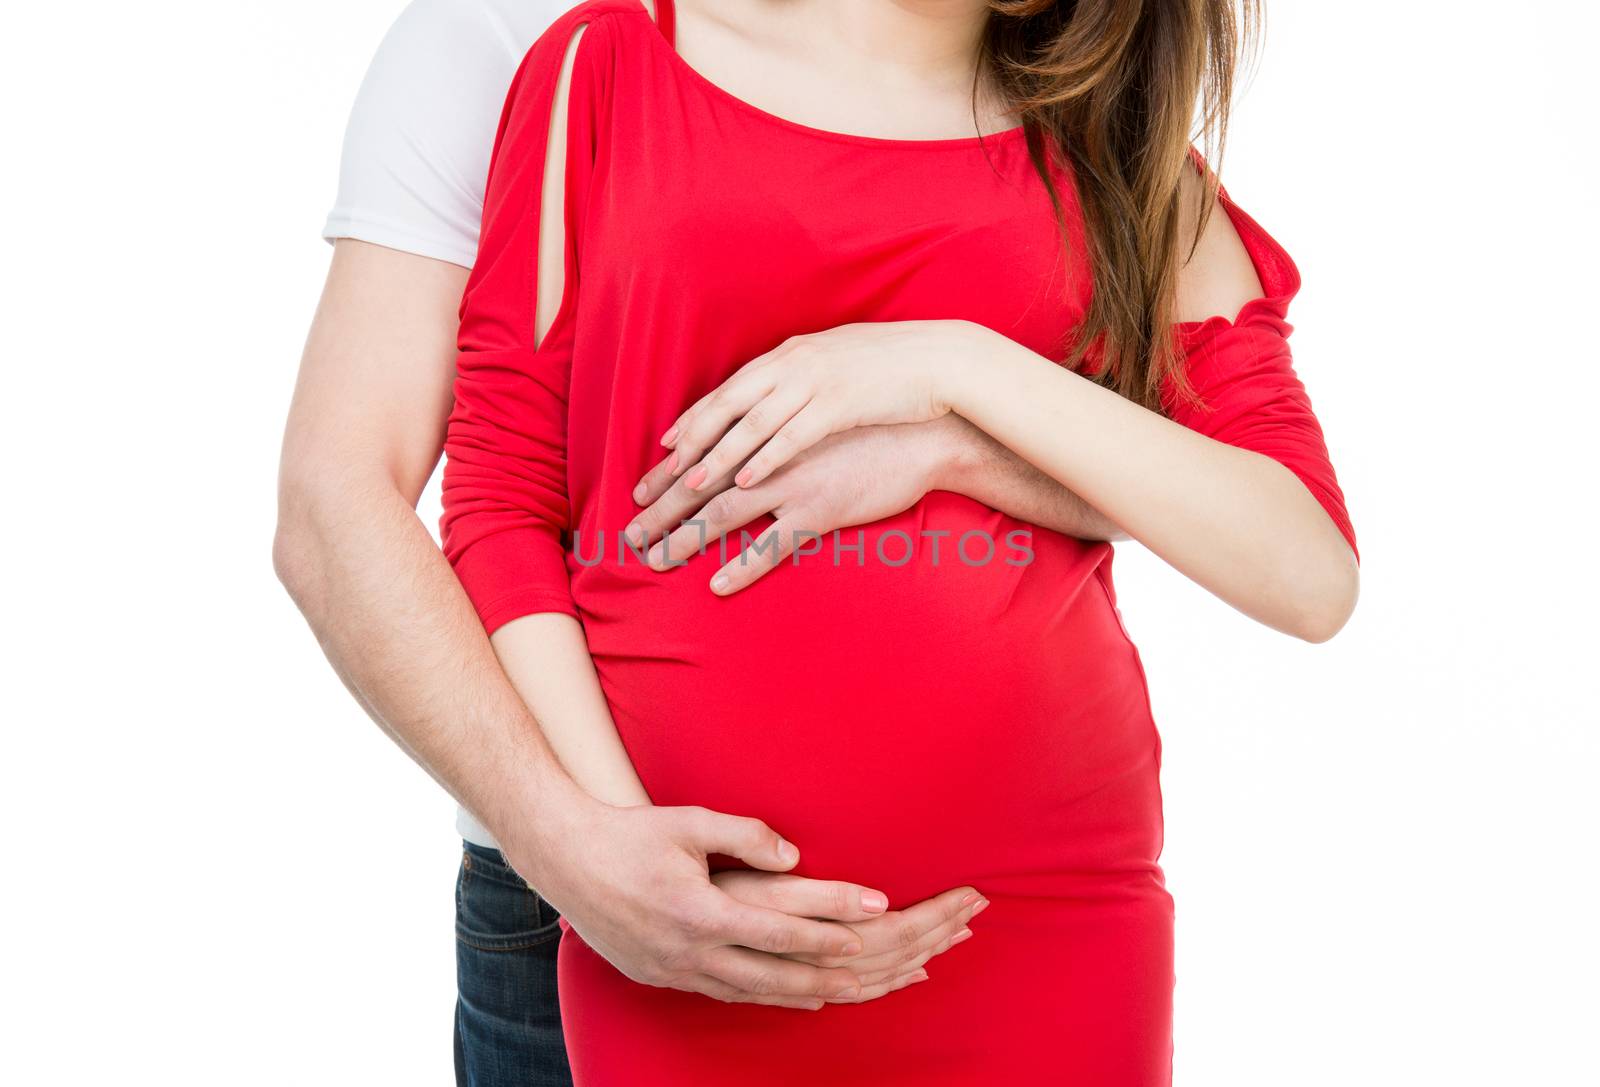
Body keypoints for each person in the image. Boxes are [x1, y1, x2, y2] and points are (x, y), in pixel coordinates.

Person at [439, 0, 1358, 1083]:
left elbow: (1307, 573)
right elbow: (499, 504)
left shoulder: (1117, 165)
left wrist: (957, 379)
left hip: (1041, 922)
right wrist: (623, 854)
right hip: (691, 932)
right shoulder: (609, 66)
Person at [274, 1, 1128, 1083]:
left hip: (1003, 916)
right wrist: (578, 847)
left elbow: (1175, 460)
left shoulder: (1015, 46)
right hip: (583, 900)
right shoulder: (508, 32)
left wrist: (959, 444)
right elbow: (338, 499)